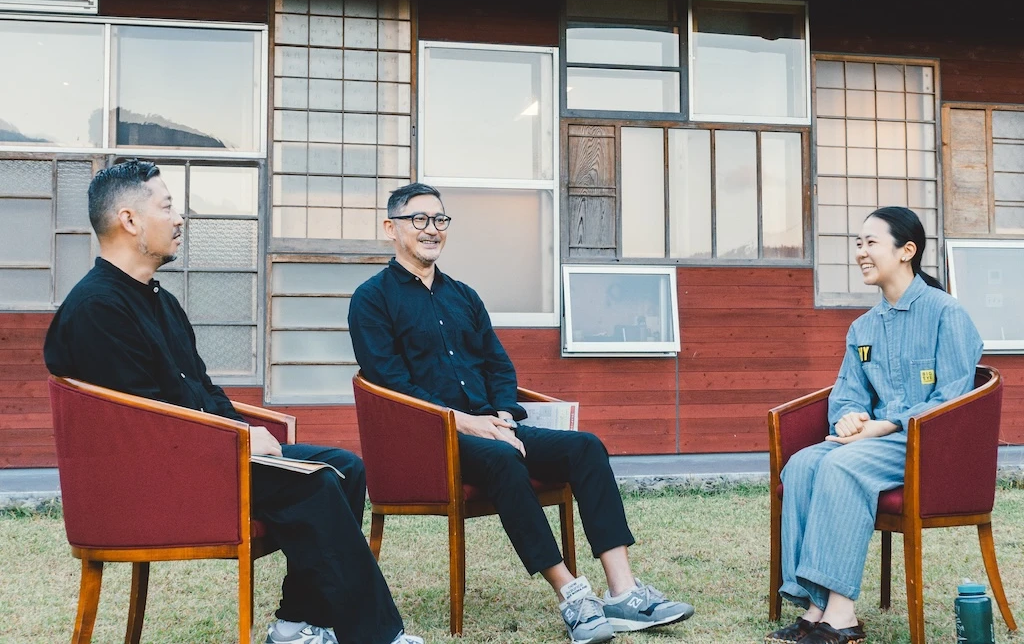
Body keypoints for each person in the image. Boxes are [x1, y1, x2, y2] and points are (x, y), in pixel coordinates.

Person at [43, 160, 422, 644]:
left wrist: (243, 430)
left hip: (200, 456)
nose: (179, 218)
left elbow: (199, 390)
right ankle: (376, 636)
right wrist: (240, 437)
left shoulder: (158, 300)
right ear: (129, 220)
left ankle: (293, 624)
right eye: (167, 206)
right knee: (316, 485)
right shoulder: (98, 307)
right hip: (158, 480)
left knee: (344, 467)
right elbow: (146, 420)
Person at [348, 182, 695, 644]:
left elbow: (497, 364)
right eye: (419, 219)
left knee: (585, 448)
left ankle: (623, 591)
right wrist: (466, 422)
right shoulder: (371, 299)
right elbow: (391, 384)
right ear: (391, 228)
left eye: (440, 219)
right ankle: (572, 594)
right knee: (502, 458)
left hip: (492, 425)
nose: (431, 229)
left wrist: (503, 414)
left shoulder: (463, 296)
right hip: (429, 440)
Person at [766, 207, 984, 644]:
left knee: (841, 467)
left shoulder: (946, 313)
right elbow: (847, 392)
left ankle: (842, 616)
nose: (861, 253)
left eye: (871, 243)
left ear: (907, 251)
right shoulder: (863, 327)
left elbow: (954, 397)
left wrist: (884, 425)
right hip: (875, 442)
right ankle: (815, 605)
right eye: (858, 243)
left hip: (927, 443)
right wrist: (848, 415)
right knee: (804, 464)